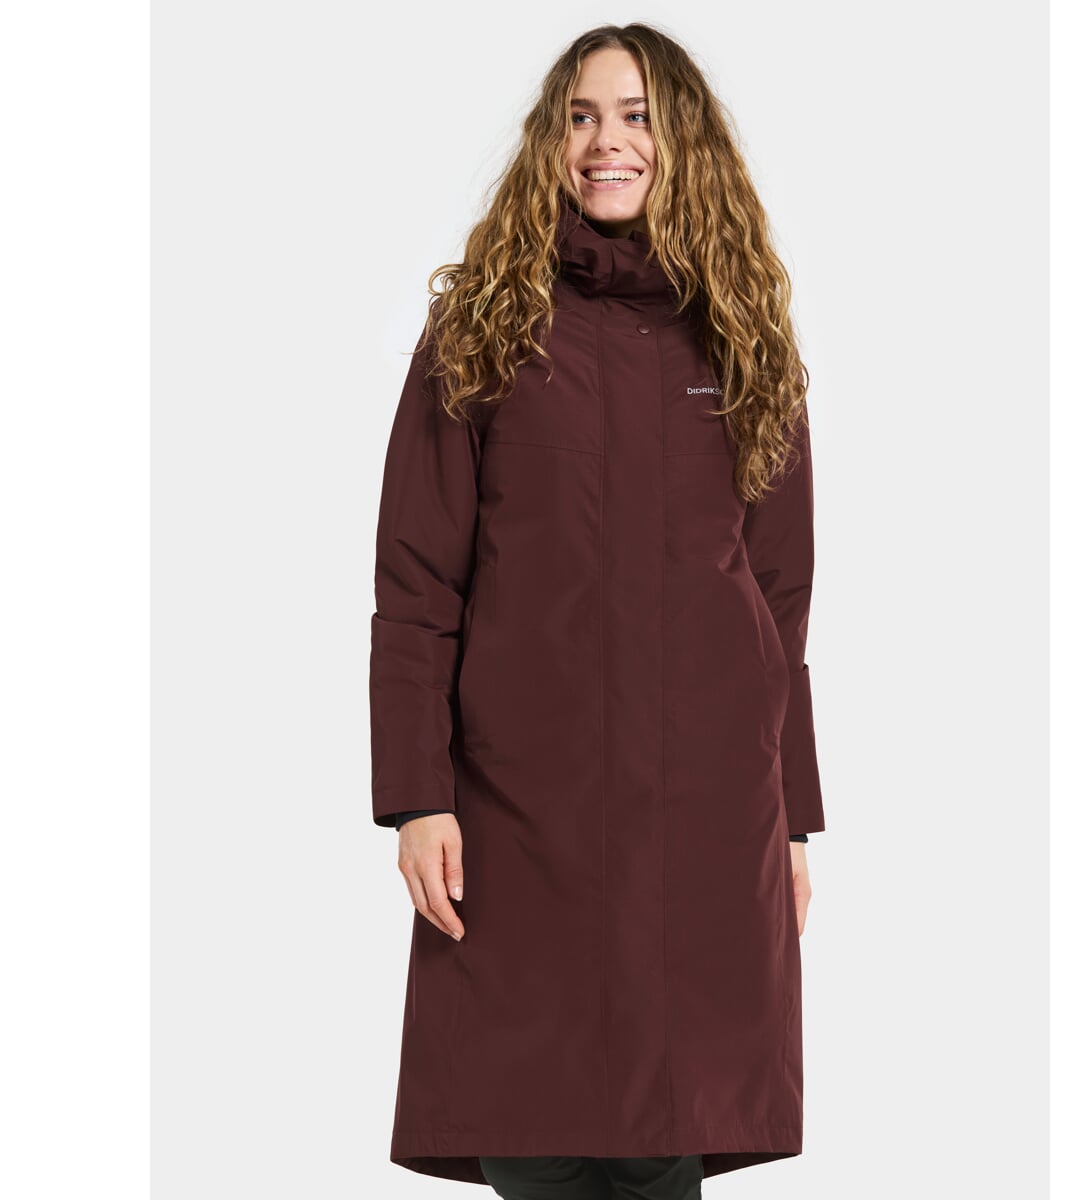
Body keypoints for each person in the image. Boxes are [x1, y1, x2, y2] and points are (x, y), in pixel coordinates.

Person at [369, 23, 826, 1200]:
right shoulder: (482, 327)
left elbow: (779, 605)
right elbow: (417, 585)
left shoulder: (744, 338)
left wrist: (792, 820)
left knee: (666, 1135)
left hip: (705, 813)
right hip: (521, 816)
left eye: (634, 116)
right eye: (580, 116)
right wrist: (416, 795)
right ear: (550, 139)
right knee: (531, 1123)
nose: (605, 142)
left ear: (683, 143)